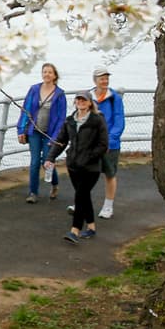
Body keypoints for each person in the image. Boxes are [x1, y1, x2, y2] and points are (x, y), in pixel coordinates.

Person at [45, 93, 110, 244]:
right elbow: (61, 141)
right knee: (84, 196)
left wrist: (89, 157)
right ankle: (92, 227)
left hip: (91, 167)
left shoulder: (97, 120)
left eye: (84, 100)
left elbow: (103, 144)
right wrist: (50, 157)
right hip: (74, 166)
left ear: (89, 103)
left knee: (80, 196)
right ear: (75, 102)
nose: (80, 102)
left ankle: (75, 230)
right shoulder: (70, 121)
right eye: (78, 99)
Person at [15, 63, 67, 203]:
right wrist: (21, 129)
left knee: (47, 161)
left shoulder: (60, 94)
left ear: (55, 75)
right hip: (34, 131)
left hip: (50, 133)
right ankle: (33, 192)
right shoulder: (34, 90)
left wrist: (55, 137)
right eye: (44, 72)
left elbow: (62, 118)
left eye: (50, 72)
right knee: (34, 162)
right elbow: (25, 110)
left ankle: (54, 184)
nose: (47, 74)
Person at [91, 66, 125, 219]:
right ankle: (81, 202)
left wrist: (109, 141)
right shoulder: (89, 96)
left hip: (110, 144)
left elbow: (119, 121)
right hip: (91, 143)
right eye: (101, 78)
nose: (104, 81)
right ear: (95, 80)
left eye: (106, 78)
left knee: (109, 174)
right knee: (87, 173)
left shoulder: (114, 98)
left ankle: (108, 206)